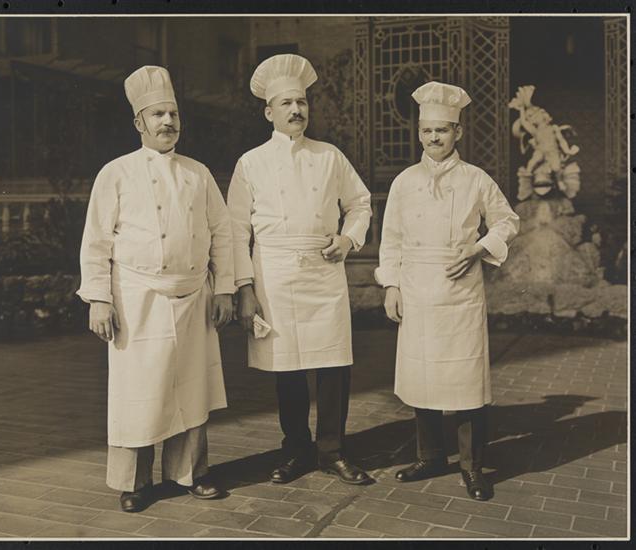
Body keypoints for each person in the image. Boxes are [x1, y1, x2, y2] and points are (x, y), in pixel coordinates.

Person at [77, 66, 234, 512]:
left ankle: (191, 473)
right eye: (158, 114)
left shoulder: (198, 173)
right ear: (138, 123)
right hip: (137, 297)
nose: (168, 122)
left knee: (191, 389)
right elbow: (96, 241)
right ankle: (136, 482)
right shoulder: (116, 173)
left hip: (193, 295)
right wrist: (100, 299)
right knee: (140, 391)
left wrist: (224, 289)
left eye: (173, 114)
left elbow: (222, 233)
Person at [227, 54, 373, 485]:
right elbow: (235, 230)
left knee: (333, 365)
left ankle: (332, 451)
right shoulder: (250, 162)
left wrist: (348, 239)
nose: (296, 110)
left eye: (302, 102)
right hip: (274, 274)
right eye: (287, 103)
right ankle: (295, 449)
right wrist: (244, 287)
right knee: (287, 368)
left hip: (323, 272)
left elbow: (360, 204)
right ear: (269, 112)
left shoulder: (330, 156)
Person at [375, 81, 520, 501]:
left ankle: (472, 466)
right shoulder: (404, 181)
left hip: (459, 292)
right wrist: (391, 285)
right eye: (427, 131)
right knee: (422, 374)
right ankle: (431, 456)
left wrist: (479, 248)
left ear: (458, 132)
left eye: (442, 130)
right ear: (419, 133)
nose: (434, 138)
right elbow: (391, 238)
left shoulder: (476, 179)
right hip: (416, 290)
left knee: (465, 379)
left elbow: (508, 221)